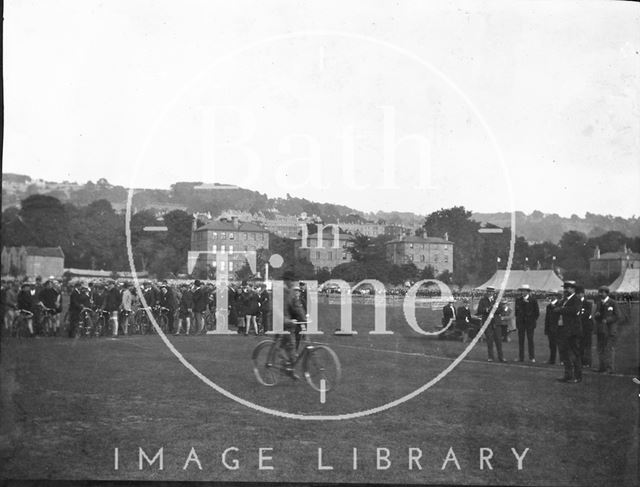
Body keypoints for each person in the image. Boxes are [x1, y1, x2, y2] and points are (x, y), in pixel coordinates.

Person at [553, 281, 583, 383]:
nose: (565, 290)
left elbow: (574, 310)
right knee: (565, 353)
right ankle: (568, 375)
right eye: (565, 288)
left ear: (573, 289)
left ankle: (578, 376)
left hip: (572, 331)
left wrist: (560, 309)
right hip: (563, 329)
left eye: (568, 288)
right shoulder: (565, 300)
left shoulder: (576, 299)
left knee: (574, 354)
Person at [281, 271, 307, 375]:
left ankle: (290, 369)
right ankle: (284, 364)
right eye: (290, 280)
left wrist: (304, 318)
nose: (292, 282)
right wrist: (285, 319)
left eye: (293, 280)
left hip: (290, 323)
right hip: (278, 321)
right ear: (286, 281)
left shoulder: (292, 293)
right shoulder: (280, 292)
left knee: (292, 347)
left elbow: (297, 307)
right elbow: (277, 309)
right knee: (282, 346)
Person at [593, 285, 620, 374]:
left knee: (608, 349)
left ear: (606, 293)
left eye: (602, 292)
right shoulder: (599, 303)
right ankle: (602, 367)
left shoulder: (613, 302)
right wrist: (596, 315)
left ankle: (610, 368)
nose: (600, 294)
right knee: (600, 349)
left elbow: (618, 315)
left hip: (610, 330)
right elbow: (596, 316)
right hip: (601, 330)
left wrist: (608, 320)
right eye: (599, 292)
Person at [476, 286, 506, 362]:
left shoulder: (497, 300)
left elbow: (502, 310)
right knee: (489, 340)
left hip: (496, 322)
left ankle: (501, 357)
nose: (489, 293)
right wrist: (487, 310)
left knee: (498, 340)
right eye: (488, 292)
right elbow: (479, 310)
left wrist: (494, 310)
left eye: (491, 292)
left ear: (493, 292)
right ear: (486, 292)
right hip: (487, 323)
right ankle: (490, 357)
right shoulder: (483, 300)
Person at [515, 284, 540, 363]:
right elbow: (516, 311)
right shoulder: (518, 300)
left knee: (530, 340)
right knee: (521, 341)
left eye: (525, 291)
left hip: (530, 323)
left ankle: (531, 357)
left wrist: (532, 320)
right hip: (521, 323)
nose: (523, 292)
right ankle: (521, 357)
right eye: (522, 291)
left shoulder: (533, 300)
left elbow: (537, 312)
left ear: (528, 292)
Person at [576, 285, 594, 368]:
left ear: (583, 294)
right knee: (579, 345)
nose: (579, 295)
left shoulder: (588, 303)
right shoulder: (575, 303)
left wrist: (577, 316)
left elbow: (587, 314)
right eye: (577, 294)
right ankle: (581, 361)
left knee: (587, 345)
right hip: (578, 327)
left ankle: (587, 362)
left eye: (580, 293)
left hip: (586, 327)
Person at [543, 291, 561, 364]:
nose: (551, 297)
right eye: (550, 295)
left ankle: (562, 360)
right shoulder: (548, 306)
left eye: (553, 295)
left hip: (558, 327)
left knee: (560, 345)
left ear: (556, 296)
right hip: (551, 327)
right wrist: (546, 329)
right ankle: (552, 359)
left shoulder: (560, 304)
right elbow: (547, 318)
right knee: (551, 345)